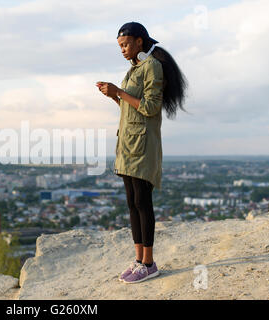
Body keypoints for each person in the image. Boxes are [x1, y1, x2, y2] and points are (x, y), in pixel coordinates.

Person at [96, 22, 188, 284]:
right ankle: (138, 260)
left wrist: (119, 91)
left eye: (125, 44)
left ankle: (149, 263)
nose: (123, 50)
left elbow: (149, 108)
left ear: (139, 41)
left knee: (143, 202)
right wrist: (114, 96)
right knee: (132, 203)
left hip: (143, 146)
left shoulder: (152, 67)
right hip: (127, 144)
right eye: (120, 46)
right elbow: (129, 107)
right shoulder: (134, 69)